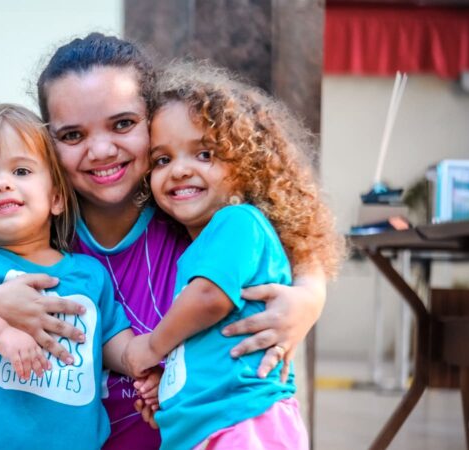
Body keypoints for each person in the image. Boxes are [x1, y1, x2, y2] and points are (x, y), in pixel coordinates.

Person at [0, 33, 331, 449]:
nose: (102, 149)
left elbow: (295, 243)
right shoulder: (28, 226)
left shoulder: (193, 213)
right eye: (73, 135)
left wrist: (309, 299)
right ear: (48, 146)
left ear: (153, 122)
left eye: (123, 124)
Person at [123, 62, 344, 449]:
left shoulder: (237, 222)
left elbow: (210, 299)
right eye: (162, 160)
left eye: (204, 154)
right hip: (214, 425)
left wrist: (151, 347)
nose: (179, 170)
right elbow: (206, 348)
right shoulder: (199, 246)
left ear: (244, 165)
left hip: (243, 423)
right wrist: (171, 388)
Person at [0, 102, 159, 450]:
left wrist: (146, 369)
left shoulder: (90, 272)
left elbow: (114, 343)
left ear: (57, 198)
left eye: (21, 171)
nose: (2, 185)